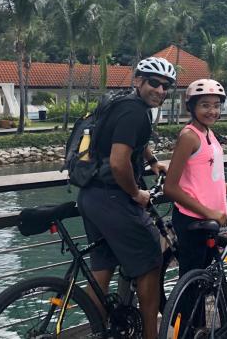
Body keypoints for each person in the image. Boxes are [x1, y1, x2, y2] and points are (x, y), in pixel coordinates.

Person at [76, 56, 175, 339]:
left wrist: (152, 161)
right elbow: (119, 163)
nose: (160, 90)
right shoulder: (135, 113)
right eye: (154, 83)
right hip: (114, 198)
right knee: (151, 261)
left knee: (103, 268)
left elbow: (131, 143)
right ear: (139, 81)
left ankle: (99, 332)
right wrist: (136, 193)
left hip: (91, 195)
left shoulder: (121, 103)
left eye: (166, 86)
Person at [164, 78, 227, 277]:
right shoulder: (189, 137)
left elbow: (211, 179)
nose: (212, 111)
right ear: (191, 107)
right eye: (205, 105)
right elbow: (170, 187)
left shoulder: (208, 133)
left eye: (216, 105)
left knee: (204, 276)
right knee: (192, 280)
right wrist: (210, 213)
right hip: (193, 219)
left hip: (209, 219)